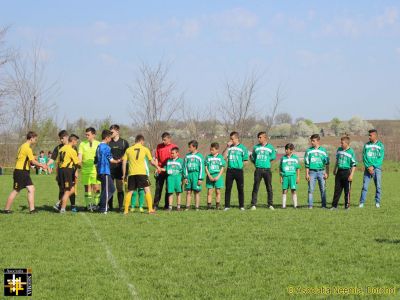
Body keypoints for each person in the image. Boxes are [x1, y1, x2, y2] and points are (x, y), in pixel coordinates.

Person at [3, 131, 47, 214]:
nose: (35, 141)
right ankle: (6, 209)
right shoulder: (27, 148)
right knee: (16, 191)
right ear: (31, 138)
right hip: (20, 172)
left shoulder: (22, 146)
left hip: (24, 172)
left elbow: (26, 159)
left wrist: (34, 161)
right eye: (35, 139)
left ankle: (32, 210)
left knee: (31, 189)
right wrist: (42, 165)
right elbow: (32, 161)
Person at [122, 134, 157, 214]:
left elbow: (124, 163)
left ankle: (126, 210)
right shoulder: (145, 149)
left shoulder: (128, 150)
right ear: (141, 141)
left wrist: (124, 174)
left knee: (130, 191)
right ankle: (150, 210)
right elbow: (151, 161)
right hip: (142, 173)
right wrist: (157, 167)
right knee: (147, 190)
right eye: (143, 142)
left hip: (131, 174)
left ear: (135, 141)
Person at [95, 130, 121, 214]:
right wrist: (119, 160)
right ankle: (103, 208)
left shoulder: (98, 146)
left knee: (111, 189)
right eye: (110, 137)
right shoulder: (106, 147)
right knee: (107, 190)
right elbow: (111, 159)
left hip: (100, 171)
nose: (111, 139)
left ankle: (100, 205)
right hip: (105, 171)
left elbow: (95, 160)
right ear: (107, 138)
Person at [250, 132, 276, 210]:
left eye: (260, 137)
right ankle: (253, 204)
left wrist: (266, 163)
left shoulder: (271, 147)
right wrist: (256, 163)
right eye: (258, 137)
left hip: (267, 170)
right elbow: (253, 158)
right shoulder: (255, 147)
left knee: (269, 187)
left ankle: (270, 204)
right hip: (258, 170)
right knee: (255, 187)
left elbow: (273, 157)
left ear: (265, 138)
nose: (259, 139)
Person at [223, 131, 249, 211]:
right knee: (228, 188)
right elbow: (224, 157)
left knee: (240, 188)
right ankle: (227, 206)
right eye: (230, 139)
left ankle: (241, 206)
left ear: (237, 138)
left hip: (239, 171)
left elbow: (246, 161)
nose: (231, 140)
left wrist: (240, 165)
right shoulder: (229, 147)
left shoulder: (243, 148)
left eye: (232, 139)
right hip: (230, 171)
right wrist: (227, 147)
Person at [359, 129, 385, 208]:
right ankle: (361, 202)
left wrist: (373, 166)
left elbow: (380, 158)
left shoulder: (380, 145)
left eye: (370, 135)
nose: (369, 137)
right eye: (369, 135)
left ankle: (377, 202)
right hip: (367, 169)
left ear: (375, 135)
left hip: (377, 169)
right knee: (365, 186)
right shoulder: (366, 145)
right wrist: (368, 167)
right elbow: (364, 157)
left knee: (378, 186)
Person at [304, 134, 330, 209]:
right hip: (312, 172)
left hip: (321, 172)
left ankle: (324, 206)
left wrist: (327, 173)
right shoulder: (308, 151)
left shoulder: (323, 150)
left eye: (313, 141)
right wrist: (307, 174)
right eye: (311, 141)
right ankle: (310, 206)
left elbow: (327, 163)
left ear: (318, 141)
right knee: (310, 189)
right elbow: (307, 164)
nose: (312, 142)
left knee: (323, 189)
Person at [331, 136, 357, 210]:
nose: (341, 144)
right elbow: (337, 160)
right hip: (339, 171)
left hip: (347, 172)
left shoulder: (351, 151)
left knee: (347, 190)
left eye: (342, 143)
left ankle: (347, 206)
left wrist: (351, 175)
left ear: (346, 143)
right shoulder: (339, 150)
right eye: (341, 142)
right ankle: (334, 206)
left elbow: (354, 164)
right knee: (337, 189)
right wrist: (334, 169)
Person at [154, 132, 178, 210]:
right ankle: (155, 205)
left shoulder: (174, 147)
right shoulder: (159, 146)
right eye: (162, 140)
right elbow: (156, 158)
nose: (163, 141)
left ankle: (167, 205)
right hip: (160, 170)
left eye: (165, 140)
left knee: (168, 188)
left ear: (169, 139)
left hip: (170, 170)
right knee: (158, 188)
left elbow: (176, 160)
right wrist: (157, 168)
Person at [78, 127, 101, 211]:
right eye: (86, 134)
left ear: (93, 135)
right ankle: (88, 205)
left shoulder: (99, 144)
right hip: (85, 170)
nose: (86, 136)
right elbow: (79, 156)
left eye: (88, 134)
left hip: (96, 170)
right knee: (87, 188)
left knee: (96, 187)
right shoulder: (82, 144)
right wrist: (79, 162)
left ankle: (96, 204)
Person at [58, 134, 81, 213]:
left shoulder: (61, 149)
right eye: (76, 141)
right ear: (73, 141)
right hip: (67, 171)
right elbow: (77, 163)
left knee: (72, 189)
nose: (76, 143)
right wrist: (82, 165)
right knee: (67, 190)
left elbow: (59, 161)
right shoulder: (72, 150)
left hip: (60, 170)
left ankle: (59, 203)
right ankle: (62, 209)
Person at [108, 124, 129, 212]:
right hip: (110, 168)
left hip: (120, 169)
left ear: (117, 131)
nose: (110, 133)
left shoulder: (124, 142)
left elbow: (127, 155)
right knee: (110, 188)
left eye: (111, 132)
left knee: (120, 188)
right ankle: (110, 207)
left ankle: (120, 207)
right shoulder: (108, 142)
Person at [183, 140, 205, 211]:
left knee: (196, 192)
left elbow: (202, 168)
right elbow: (185, 167)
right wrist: (185, 177)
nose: (189, 148)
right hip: (189, 175)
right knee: (188, 192)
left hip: (196, 175)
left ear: (195, 147)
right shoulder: (187, 156)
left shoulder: (200, 156)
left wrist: (200, 178)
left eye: (190, 147)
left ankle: (197, 207)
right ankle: (187, 207)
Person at [162, 147, 184, 211]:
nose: (171, 154)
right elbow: (165, 168)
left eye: (173, 153)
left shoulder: (181, 161)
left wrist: (182, 180)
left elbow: (183, 171)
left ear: (177, 153)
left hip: (178, 179)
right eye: (171, 153)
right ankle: (170, 207)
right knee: (170, 193)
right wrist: (160, 169)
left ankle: (178, 207)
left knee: (178, 193)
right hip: (170, 179)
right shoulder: (169, 161)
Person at [205, 142, 226, 210]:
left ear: (217, 150)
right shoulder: (208, 157)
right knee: (209, 191)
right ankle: (209, 206)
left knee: (218, 191)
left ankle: (217, 205)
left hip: (218, 176)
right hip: (210, 176)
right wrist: (209, 175)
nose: (211, 151)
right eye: (210, 149)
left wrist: (218, 176)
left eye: (212, 150)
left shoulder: (220, 157)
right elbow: (206, 167)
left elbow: (222, 167)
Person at [279, 143, 300, 209]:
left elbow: (298, 168)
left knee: (293, 190)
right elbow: (280, 168)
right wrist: (281, 177)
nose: (286, 151)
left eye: (287, 149)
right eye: (285, 149)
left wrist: (298, 177)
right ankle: (283, 206)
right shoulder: (283, 158)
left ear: (291, 150)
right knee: (284, 190)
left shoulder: (295, 158)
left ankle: (295, 205)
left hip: (293, 176)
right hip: (285, 176)